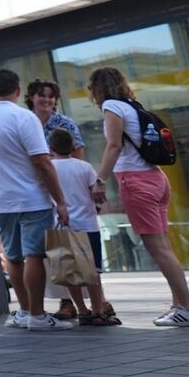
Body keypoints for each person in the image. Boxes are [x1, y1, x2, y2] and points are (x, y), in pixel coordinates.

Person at [89, 66, 189, 326]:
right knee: (165, 247)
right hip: (156, 178)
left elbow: (114, 145)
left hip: (135, 181)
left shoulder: (112, 106)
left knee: (159, 250)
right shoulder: (133, 105)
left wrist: (99, 180)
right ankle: (179, 306)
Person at [0, 71, 72, 331]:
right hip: (32, 198)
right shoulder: (24, 117)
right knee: (34, 256)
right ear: (18, 92)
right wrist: (60, 200)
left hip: (1, 199)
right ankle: (38, 315)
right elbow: (42, 162)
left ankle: (24, 312)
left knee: (13, 258)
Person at [47, 128, 118, 325]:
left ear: (50, 147)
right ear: (72, 146)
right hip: (88, 225)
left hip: (60, 225)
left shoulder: (49, 168)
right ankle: (98, 311)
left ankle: (82, 311)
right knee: (93, 272)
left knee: (69, 273)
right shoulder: (85, 167)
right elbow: (95, 194)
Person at [26, 78, 86, 159]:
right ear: (31, 97)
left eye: (51, 97)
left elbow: (78, 154)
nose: (46, 100)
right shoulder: (22, 122)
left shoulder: (66, 123)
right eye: (42, 95)